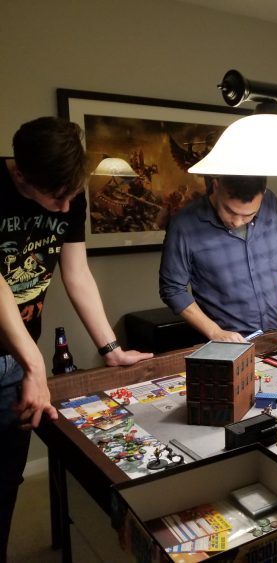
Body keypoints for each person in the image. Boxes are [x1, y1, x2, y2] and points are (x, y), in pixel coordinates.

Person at [0, 116, 153, 562]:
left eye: (73, 196)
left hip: (13, 361)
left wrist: (111, 349)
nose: (66, 208)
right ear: (21, 176)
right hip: (19, 358)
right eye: (56, 198)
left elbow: (77, 272)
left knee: (6, 479)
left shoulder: (69, 194)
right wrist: (35, 365)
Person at [159, 174, 277, 342]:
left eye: (249, 215)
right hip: (229, 343)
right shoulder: (184, 224)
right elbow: (173, 289)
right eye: (230, 211)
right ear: (216, 186)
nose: (238, 222)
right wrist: (215, 332)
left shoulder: (270, 202)